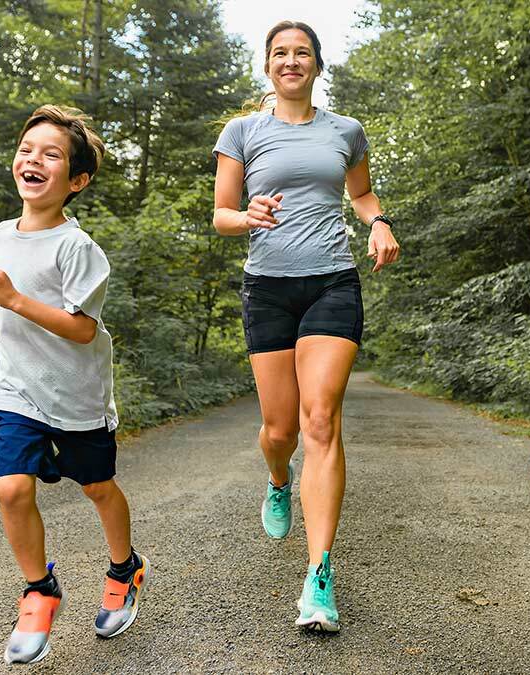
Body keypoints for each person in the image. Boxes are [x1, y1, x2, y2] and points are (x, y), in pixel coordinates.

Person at [211, 20, 400, 632]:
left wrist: (378, 222)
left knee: (322, 418)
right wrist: (248, 216)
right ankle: (276, 478)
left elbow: (362, 194)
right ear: (267, 66)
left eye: (302, 53)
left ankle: (319, 575)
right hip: (267, 288)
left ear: (318, 65)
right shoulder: (242, 132)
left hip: (332, 283)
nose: (291, 61)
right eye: (280, 53)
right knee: (279, 429)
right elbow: (221, 214)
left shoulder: (345, 131)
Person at [0, 105, 148, 664]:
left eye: (52, 155)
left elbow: (80, 329)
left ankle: (126, 568)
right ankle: (39, 590)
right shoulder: (3, 234)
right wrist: (8, 324)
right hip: (15, 385)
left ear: (76, 181)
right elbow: (12, 312)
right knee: (10, 488)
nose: (34, 160)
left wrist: (14, 300)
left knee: (97, 487)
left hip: (75, 393)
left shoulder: (79, 249)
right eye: (28, 150)